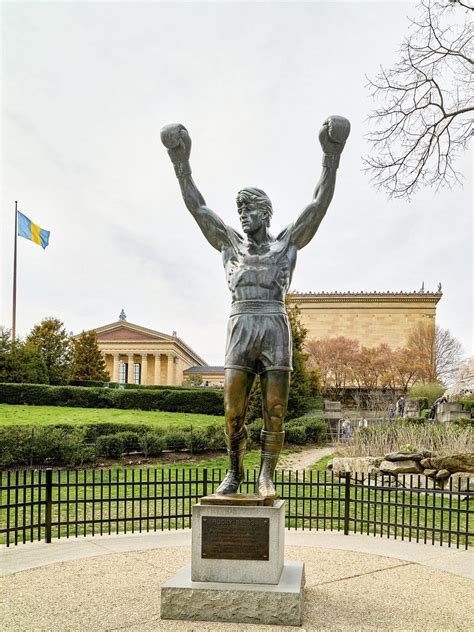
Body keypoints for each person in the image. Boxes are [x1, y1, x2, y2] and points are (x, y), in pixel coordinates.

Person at [161, 116, 350, 499]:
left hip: (275, 325)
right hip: (241, 324)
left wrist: (331, 155)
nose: (243, 215)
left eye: (249, 209)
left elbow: (318, 204)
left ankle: (267, 476)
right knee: (233, 411)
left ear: (266, 213)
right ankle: (234, 474)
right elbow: (198, 207)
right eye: (240, 210)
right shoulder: (230, 244)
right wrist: (181, 163)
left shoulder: (287, 244)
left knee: (275, 409)